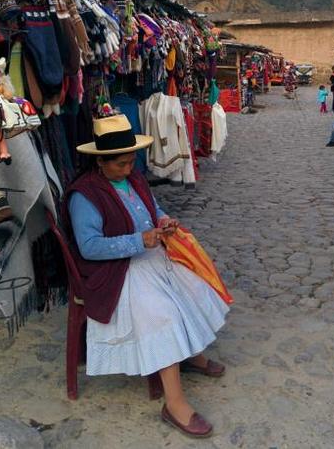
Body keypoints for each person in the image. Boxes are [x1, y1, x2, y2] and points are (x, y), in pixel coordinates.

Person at [65, 114, 229, 439]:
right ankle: (175, 403)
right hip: (116, 269)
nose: (128, 169)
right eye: (120, 165)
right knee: (162, 313)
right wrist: (139, 241)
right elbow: (90, 247)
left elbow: (153, 208)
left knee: (193, 285)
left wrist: (165, 221)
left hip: (147, 255)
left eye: (130, 162)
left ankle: (189, 355)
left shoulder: (135, 178)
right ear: (101, 162)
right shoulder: (84, 195)